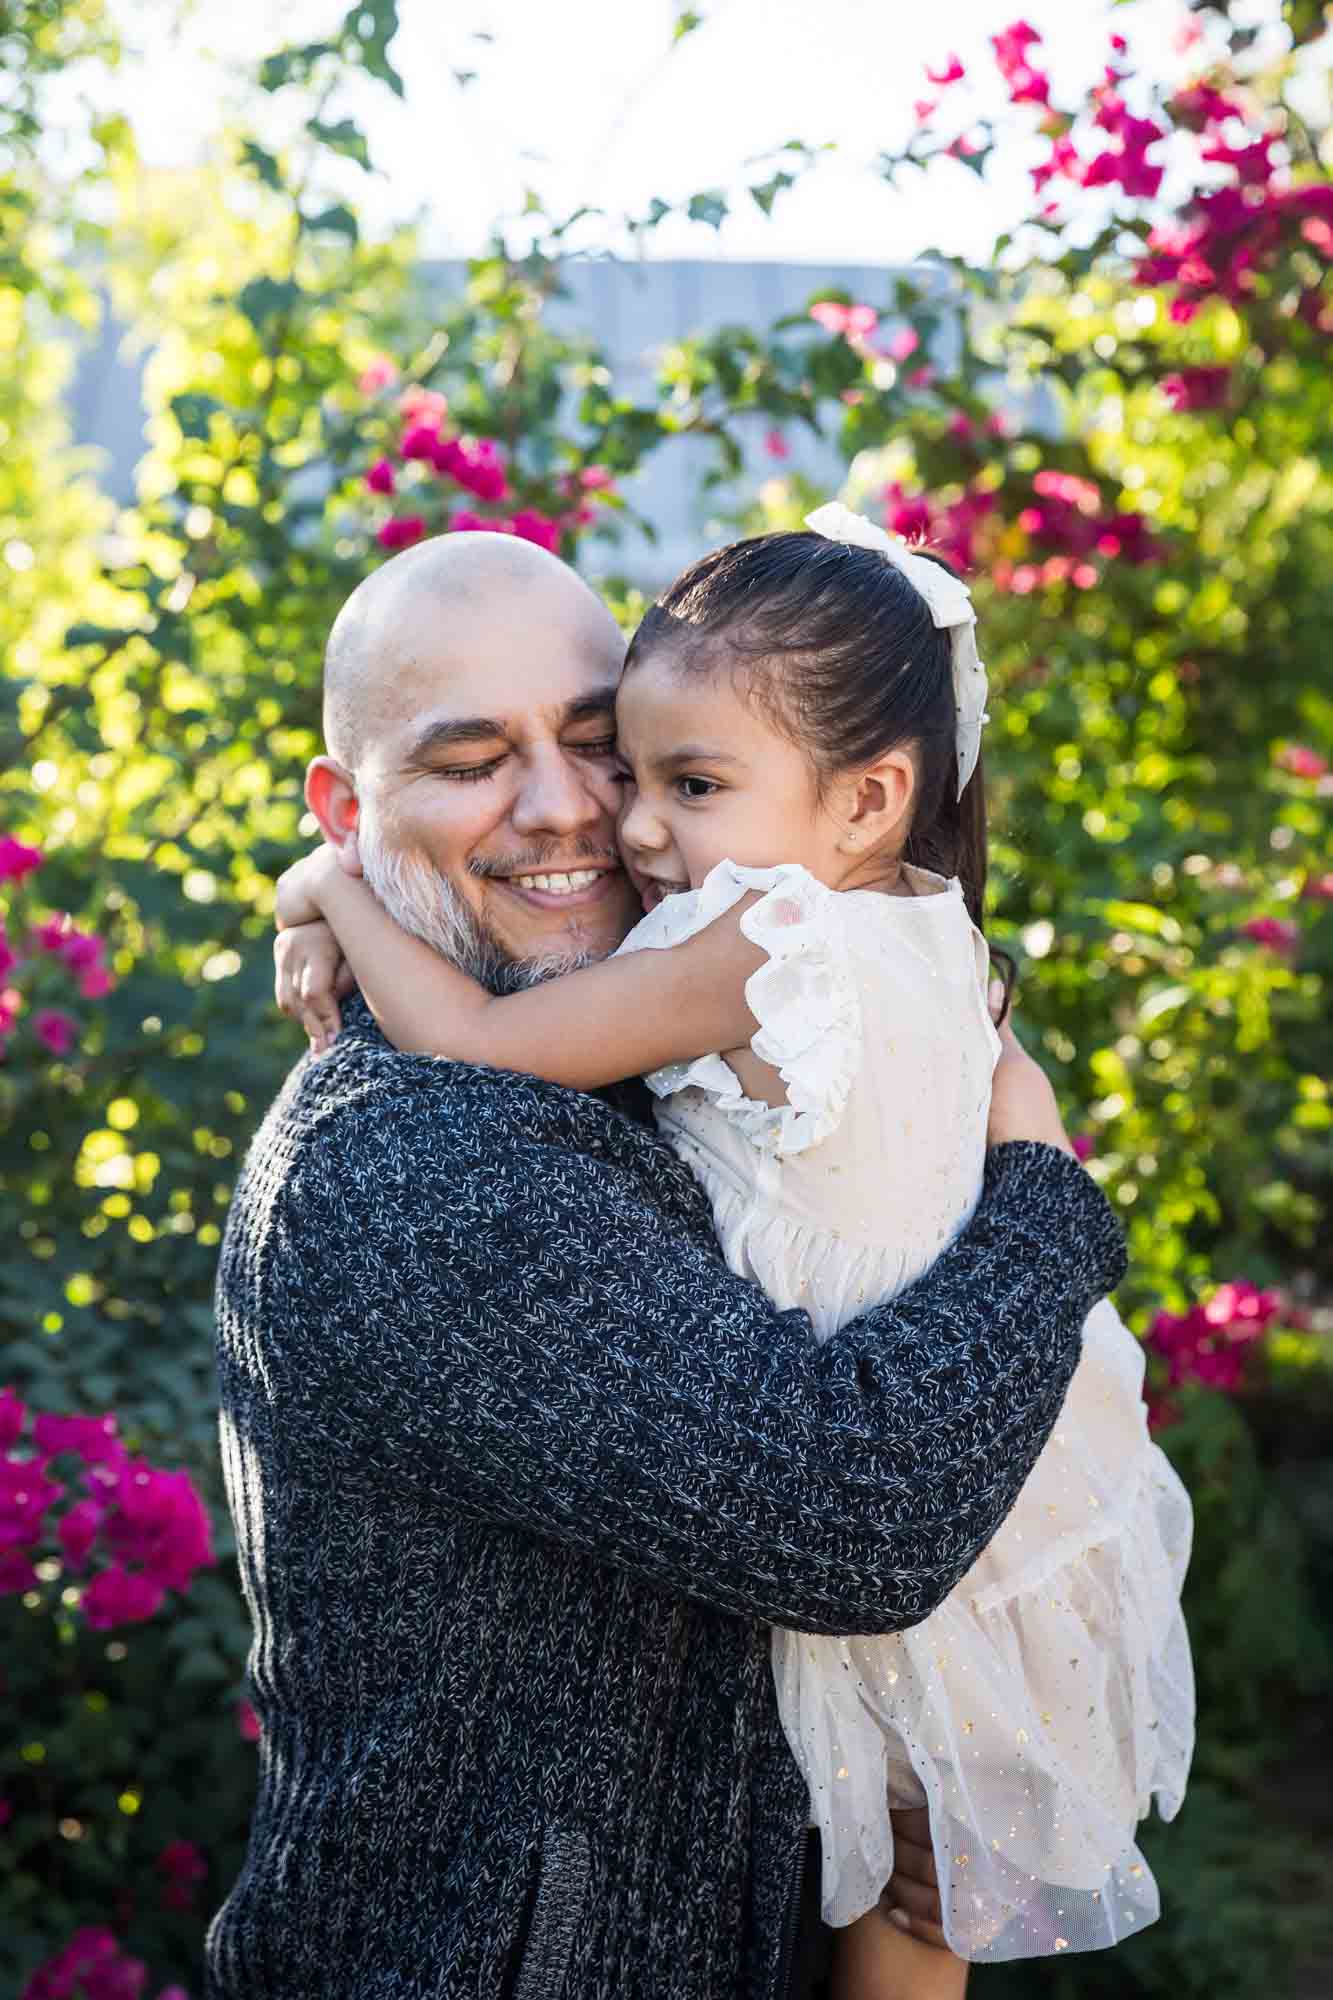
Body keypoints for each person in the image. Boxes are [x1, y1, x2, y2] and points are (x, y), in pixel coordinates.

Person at [274, 512, 1193, 1997]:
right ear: (344, 805)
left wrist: (334, 897)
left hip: (856, 1696)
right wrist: (1042, 1194)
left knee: (918, 1891)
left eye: (615, 753)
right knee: (918, 1907)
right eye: (467, 761)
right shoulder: (421, 1165)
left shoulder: (696, 980)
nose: (589, 815)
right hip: (511, 1965)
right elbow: (855, 1526)